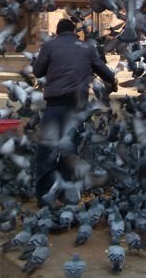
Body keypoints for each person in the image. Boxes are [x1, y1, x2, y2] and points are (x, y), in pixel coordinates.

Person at [31, 18, 117, 203]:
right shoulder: (87, 48)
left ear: (57, 32)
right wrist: (113, 81)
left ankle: (44, 197)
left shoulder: (50, 46)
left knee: (46, 150)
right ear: (75, 32)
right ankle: (67, 196)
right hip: (77, 109)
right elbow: (107, 74)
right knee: (69, 151)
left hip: (54, 105)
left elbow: (37, 72)